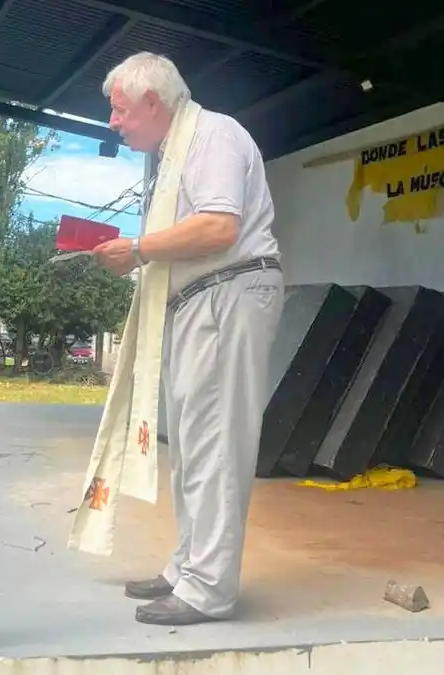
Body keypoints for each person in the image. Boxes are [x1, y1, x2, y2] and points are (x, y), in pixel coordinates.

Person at [92, 52, 285, 626]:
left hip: (228, 295)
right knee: (194, 448)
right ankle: (188, 568)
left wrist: (138, 249)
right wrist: (138, 252)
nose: (113, 122)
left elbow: (219, 226)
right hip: (204, 301)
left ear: (154, 102)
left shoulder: (214, 136)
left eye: (119, 109)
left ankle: (208, 590)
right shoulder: (182, 148)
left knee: (216, 447)